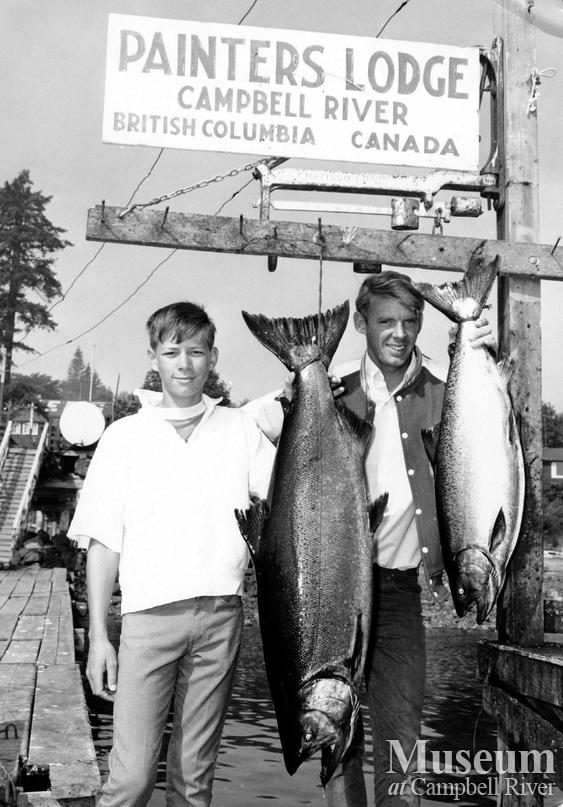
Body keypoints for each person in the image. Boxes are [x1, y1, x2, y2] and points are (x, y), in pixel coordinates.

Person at [246, 270, 493, 807]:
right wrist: (291, 397)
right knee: (335, 739)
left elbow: (488, 442)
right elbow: (259, 431)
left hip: (399, 592)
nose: (399, 333)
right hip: (328, 588)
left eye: (410, 321)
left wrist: (475, 346)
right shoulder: (331, 390)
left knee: (402, 741)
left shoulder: (448, 393)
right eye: (386, 321)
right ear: (360, 324)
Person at [68, 301, 275, 807]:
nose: (185, 364)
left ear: (213, 358)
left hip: (221, 617)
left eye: (197, 352)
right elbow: (103, 544)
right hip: (148, 620)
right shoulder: (123, 437)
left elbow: (291, 495)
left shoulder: (239, 428)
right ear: (154, 358)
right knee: (132, 780)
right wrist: (100, 638)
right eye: (172, 352)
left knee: (193, 782)